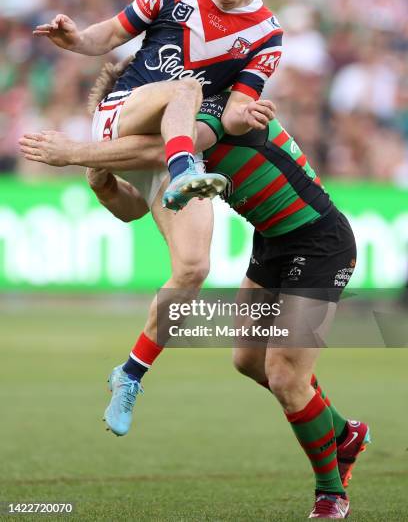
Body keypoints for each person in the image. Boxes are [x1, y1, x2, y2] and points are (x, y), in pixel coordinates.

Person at [21, 89, 370, 520]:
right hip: (274, 244)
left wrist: (75, 151)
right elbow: (136, 200)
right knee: (247, 360)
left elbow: (159, 147)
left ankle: (330, 491)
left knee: (285, 375)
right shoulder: (178, 128)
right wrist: (103, 179)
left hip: (321, 244)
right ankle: (343, 432)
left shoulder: (217, 109)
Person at [32, 0, 283, 211]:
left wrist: (247, 114)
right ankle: (179, 171)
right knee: (186, 89)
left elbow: (232, 116)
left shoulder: (267, 35)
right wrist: (78, 39)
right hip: (128, 109)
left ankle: (102, 177)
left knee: (187, 252)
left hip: (175, 138)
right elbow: (114, 32)